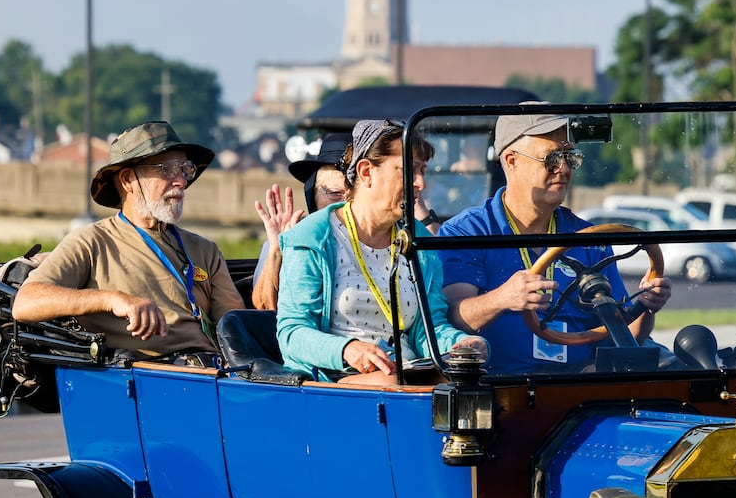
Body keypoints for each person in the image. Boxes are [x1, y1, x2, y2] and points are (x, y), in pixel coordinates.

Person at [438, 108, 672, 374]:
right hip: (500, 388)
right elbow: (454, 317)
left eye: (569, 157)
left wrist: (647, 306)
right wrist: (503, 297)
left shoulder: (590, 238)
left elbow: (624, 333)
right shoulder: (468, 232)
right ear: (511, 161)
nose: (563, 168)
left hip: (578, 384)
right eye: (551, 159)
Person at [275, 118, 484, 385]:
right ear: (366, 172)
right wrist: (348, 349)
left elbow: (428, 329)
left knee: (465, 385)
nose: (421, 183)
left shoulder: (418, 241)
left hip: (407, 373)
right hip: (334, 379)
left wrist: (461, 344)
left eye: (423, 170)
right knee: (395, 386)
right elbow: (292, 334)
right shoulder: (313, 237)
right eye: (409, 170)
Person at [14, 120, 243, 362]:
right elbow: (26, 303)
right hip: (150, 378)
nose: (182, 182)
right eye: (166, 169)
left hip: (213, 372)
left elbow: (237, 329)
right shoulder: (92, 242)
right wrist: (111, 299)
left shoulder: (205, 250)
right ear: (127, 180)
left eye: (184, 169)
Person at [250, 132, 352, 311]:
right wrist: (278, 251)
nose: (345, 203)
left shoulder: (382, 241)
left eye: (354, 194)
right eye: (335, 193)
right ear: (313, 194)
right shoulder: (290, 238)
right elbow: (264, 309)